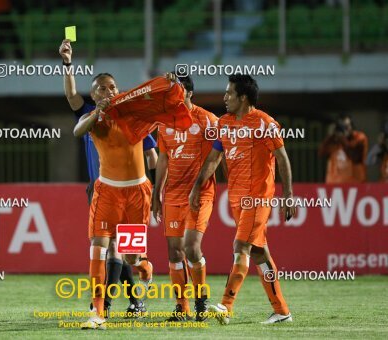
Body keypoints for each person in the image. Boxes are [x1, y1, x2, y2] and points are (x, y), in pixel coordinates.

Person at [59, 39, 156, 326]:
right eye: (101, 87)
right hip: (102, 188)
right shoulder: (91, 115)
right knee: (99, 246)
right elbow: (75, 115)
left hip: (136, 191)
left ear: (119, 90)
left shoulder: (134, 117)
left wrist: (156, 188)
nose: (107, 91)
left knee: (128, 256)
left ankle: (143, 270)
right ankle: (99, 310)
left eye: (112, 87)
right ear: (93, 94)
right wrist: (67, 63)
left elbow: (152, 153)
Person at [190, 74, 294, 324]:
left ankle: (225, 306)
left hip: (258, 199)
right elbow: (214, 158)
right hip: (237, 199)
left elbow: (282, 158)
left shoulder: (265, 123)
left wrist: (287, 195)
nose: (225, 98)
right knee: (260, 254)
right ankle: (281, 311)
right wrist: (197, 186)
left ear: (243, 97)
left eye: (229, 93)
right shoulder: (224, 123)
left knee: (240, 248)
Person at [152, 72, 219, 322]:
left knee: (191, 248)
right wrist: (157, 192)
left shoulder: (208, 120)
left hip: (200, 193)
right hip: (172, 195)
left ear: (189, 93)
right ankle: (182, 308)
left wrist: (197, 186)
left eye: (176, 91)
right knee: (173, 253)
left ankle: (201, 299)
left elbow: (216, 157)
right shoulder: (164, 123)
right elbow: (164, 158)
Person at [318, 115, 368, 183]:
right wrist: (330, 136)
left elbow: (354, 157)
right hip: (334, 183)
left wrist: (342, 138)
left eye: (347, 126)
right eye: (342, 127)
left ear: (352, 126)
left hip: (355, 183)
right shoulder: (333, 140)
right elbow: (321, 153)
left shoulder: (359, 138)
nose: (346, 129)